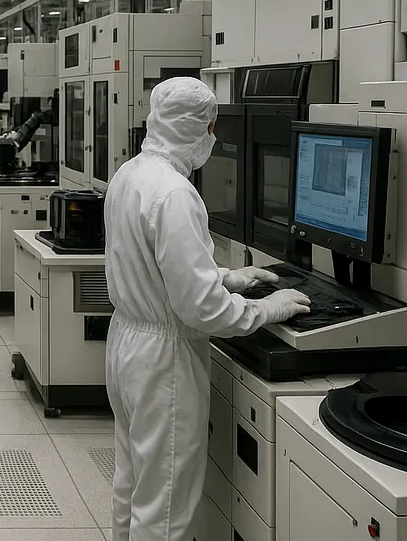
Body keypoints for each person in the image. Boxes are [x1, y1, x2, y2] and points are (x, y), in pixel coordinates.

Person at [103, 77, 311, 541]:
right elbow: (202, 309)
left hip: (127, 344)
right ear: (204, 128)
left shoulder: (130, 173)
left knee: (133, 483)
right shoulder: (176, 193)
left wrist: (225, 277)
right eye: (213, 128)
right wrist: (268, 309)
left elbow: (153, 266)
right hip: (163, 361)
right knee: (165, 507)